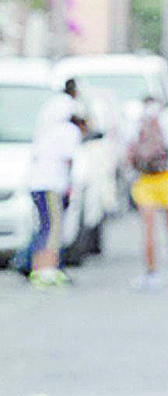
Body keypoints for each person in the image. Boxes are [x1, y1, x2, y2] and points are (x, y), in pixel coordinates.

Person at [128, 96, 168, 289]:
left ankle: (151, 274)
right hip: (167, 178)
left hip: (145, 180)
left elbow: (128, 152)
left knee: (148, 229)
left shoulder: (136, 124)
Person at [28, 114, 86, 287]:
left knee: (44, 227)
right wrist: (69, 184)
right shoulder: (71, 131)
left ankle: (38, 270)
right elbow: (69, 159)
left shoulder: (52, 129)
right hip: (51, 185)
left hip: (37, 184)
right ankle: (48, 270)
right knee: (53, 228)